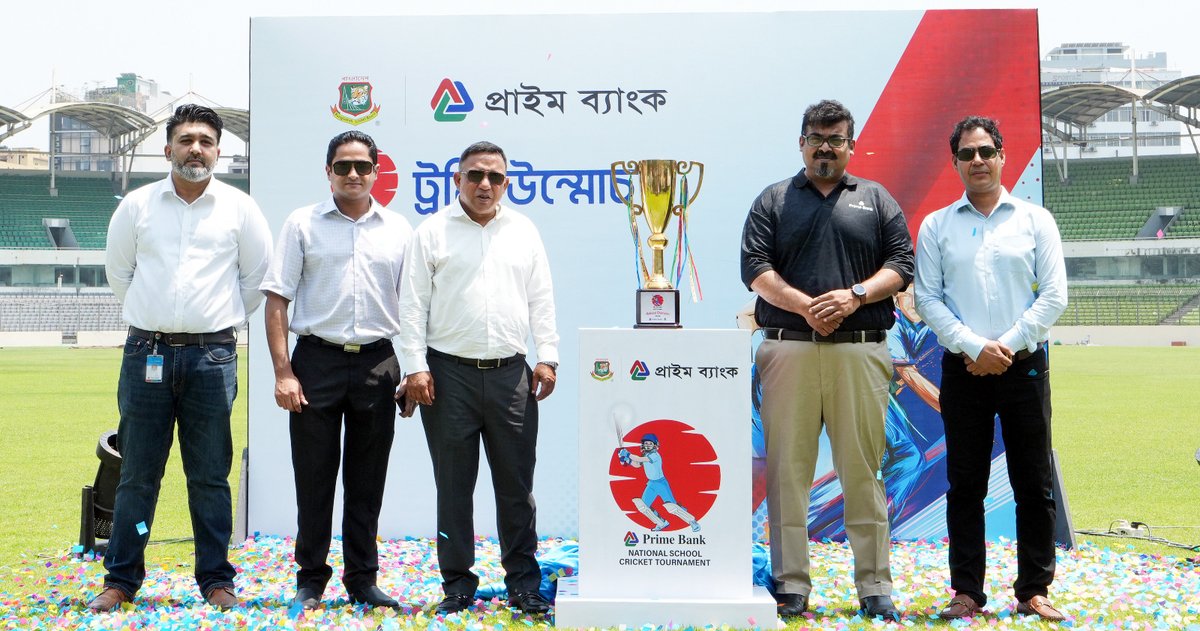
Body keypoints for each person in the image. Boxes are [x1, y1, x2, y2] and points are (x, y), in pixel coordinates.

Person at [90, 104, 273, 612]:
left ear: (218, 149)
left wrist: (211, 323)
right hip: (145, 351)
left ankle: (216, 578)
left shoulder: (240, 209)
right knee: (138, 474)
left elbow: (255, 281)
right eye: (187, 139)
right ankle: (121, 579)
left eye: (206, 141)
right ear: (168, 147)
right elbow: (119, 273)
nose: (197, 148)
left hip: (212, 358)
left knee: (210, 474)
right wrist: (156, 322)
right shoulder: (138, 205)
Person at [740, 99, 912, 622]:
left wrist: (854, 295)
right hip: (787, 349)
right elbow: (754, 267)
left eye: (836, 139)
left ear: (851, 146)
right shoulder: (773, 199)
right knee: (788, 474)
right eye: (816, 137)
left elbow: (902, 264)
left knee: (862, 471)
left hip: (860, 351)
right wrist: (807, 307)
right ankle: (791, 584)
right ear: (801, 142)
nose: (825, 147)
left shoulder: (876, 199)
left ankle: (874, 585)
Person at [913, 115, 1068, 622]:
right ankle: (967, 593)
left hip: (1024, 367)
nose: (977, 161)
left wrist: (1003, 346)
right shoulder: (937, 225)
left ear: (1002, 155)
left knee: (1033, 482)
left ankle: (1033, 589)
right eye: (967, 154)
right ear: (955, 162)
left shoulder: (1035, 220)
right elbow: (928, 300)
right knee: (965, 485)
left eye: (985, 151)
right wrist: (973, 347)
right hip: (964, 371)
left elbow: (1055, 297)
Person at [397, 141, 559, 616]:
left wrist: (547, 357)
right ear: (457, 180)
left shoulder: (524, 231)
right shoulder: (432, 232)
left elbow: (541, 300)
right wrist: (416, 367)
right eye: (474, 175)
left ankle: (523, 585)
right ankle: (458, 585)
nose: (484, 184)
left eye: (495, 177)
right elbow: (411, 307)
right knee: (454, 486)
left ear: (507, 182)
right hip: (448, 378)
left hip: (512, 377)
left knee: (516, 486)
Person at [260, 131, 415, 610]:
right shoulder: (301, 224)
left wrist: (412, 370)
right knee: (314, 477)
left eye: (362, 167)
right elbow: (277, 299)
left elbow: (412, 308)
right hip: (316, 362)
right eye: (343, 166)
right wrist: (284, 372)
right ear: (327, 171)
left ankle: (362, 579)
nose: (353, 174)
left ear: (376, 172)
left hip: (379, 363)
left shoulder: (399, 229)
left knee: (367, 481)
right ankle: (310, 578)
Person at [620, 434, 702, 532]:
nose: (647, 445)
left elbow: (639, 459)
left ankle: (692, 522)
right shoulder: (645, 455)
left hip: (661, 484)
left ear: (655, 445)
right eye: (646, 443)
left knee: (672, 507)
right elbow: (637, 464)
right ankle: (661, 523)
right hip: (651, 484)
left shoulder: (655, 455)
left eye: (650, 443)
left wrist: (628, 454)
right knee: (643, 506)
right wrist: (627, 460)